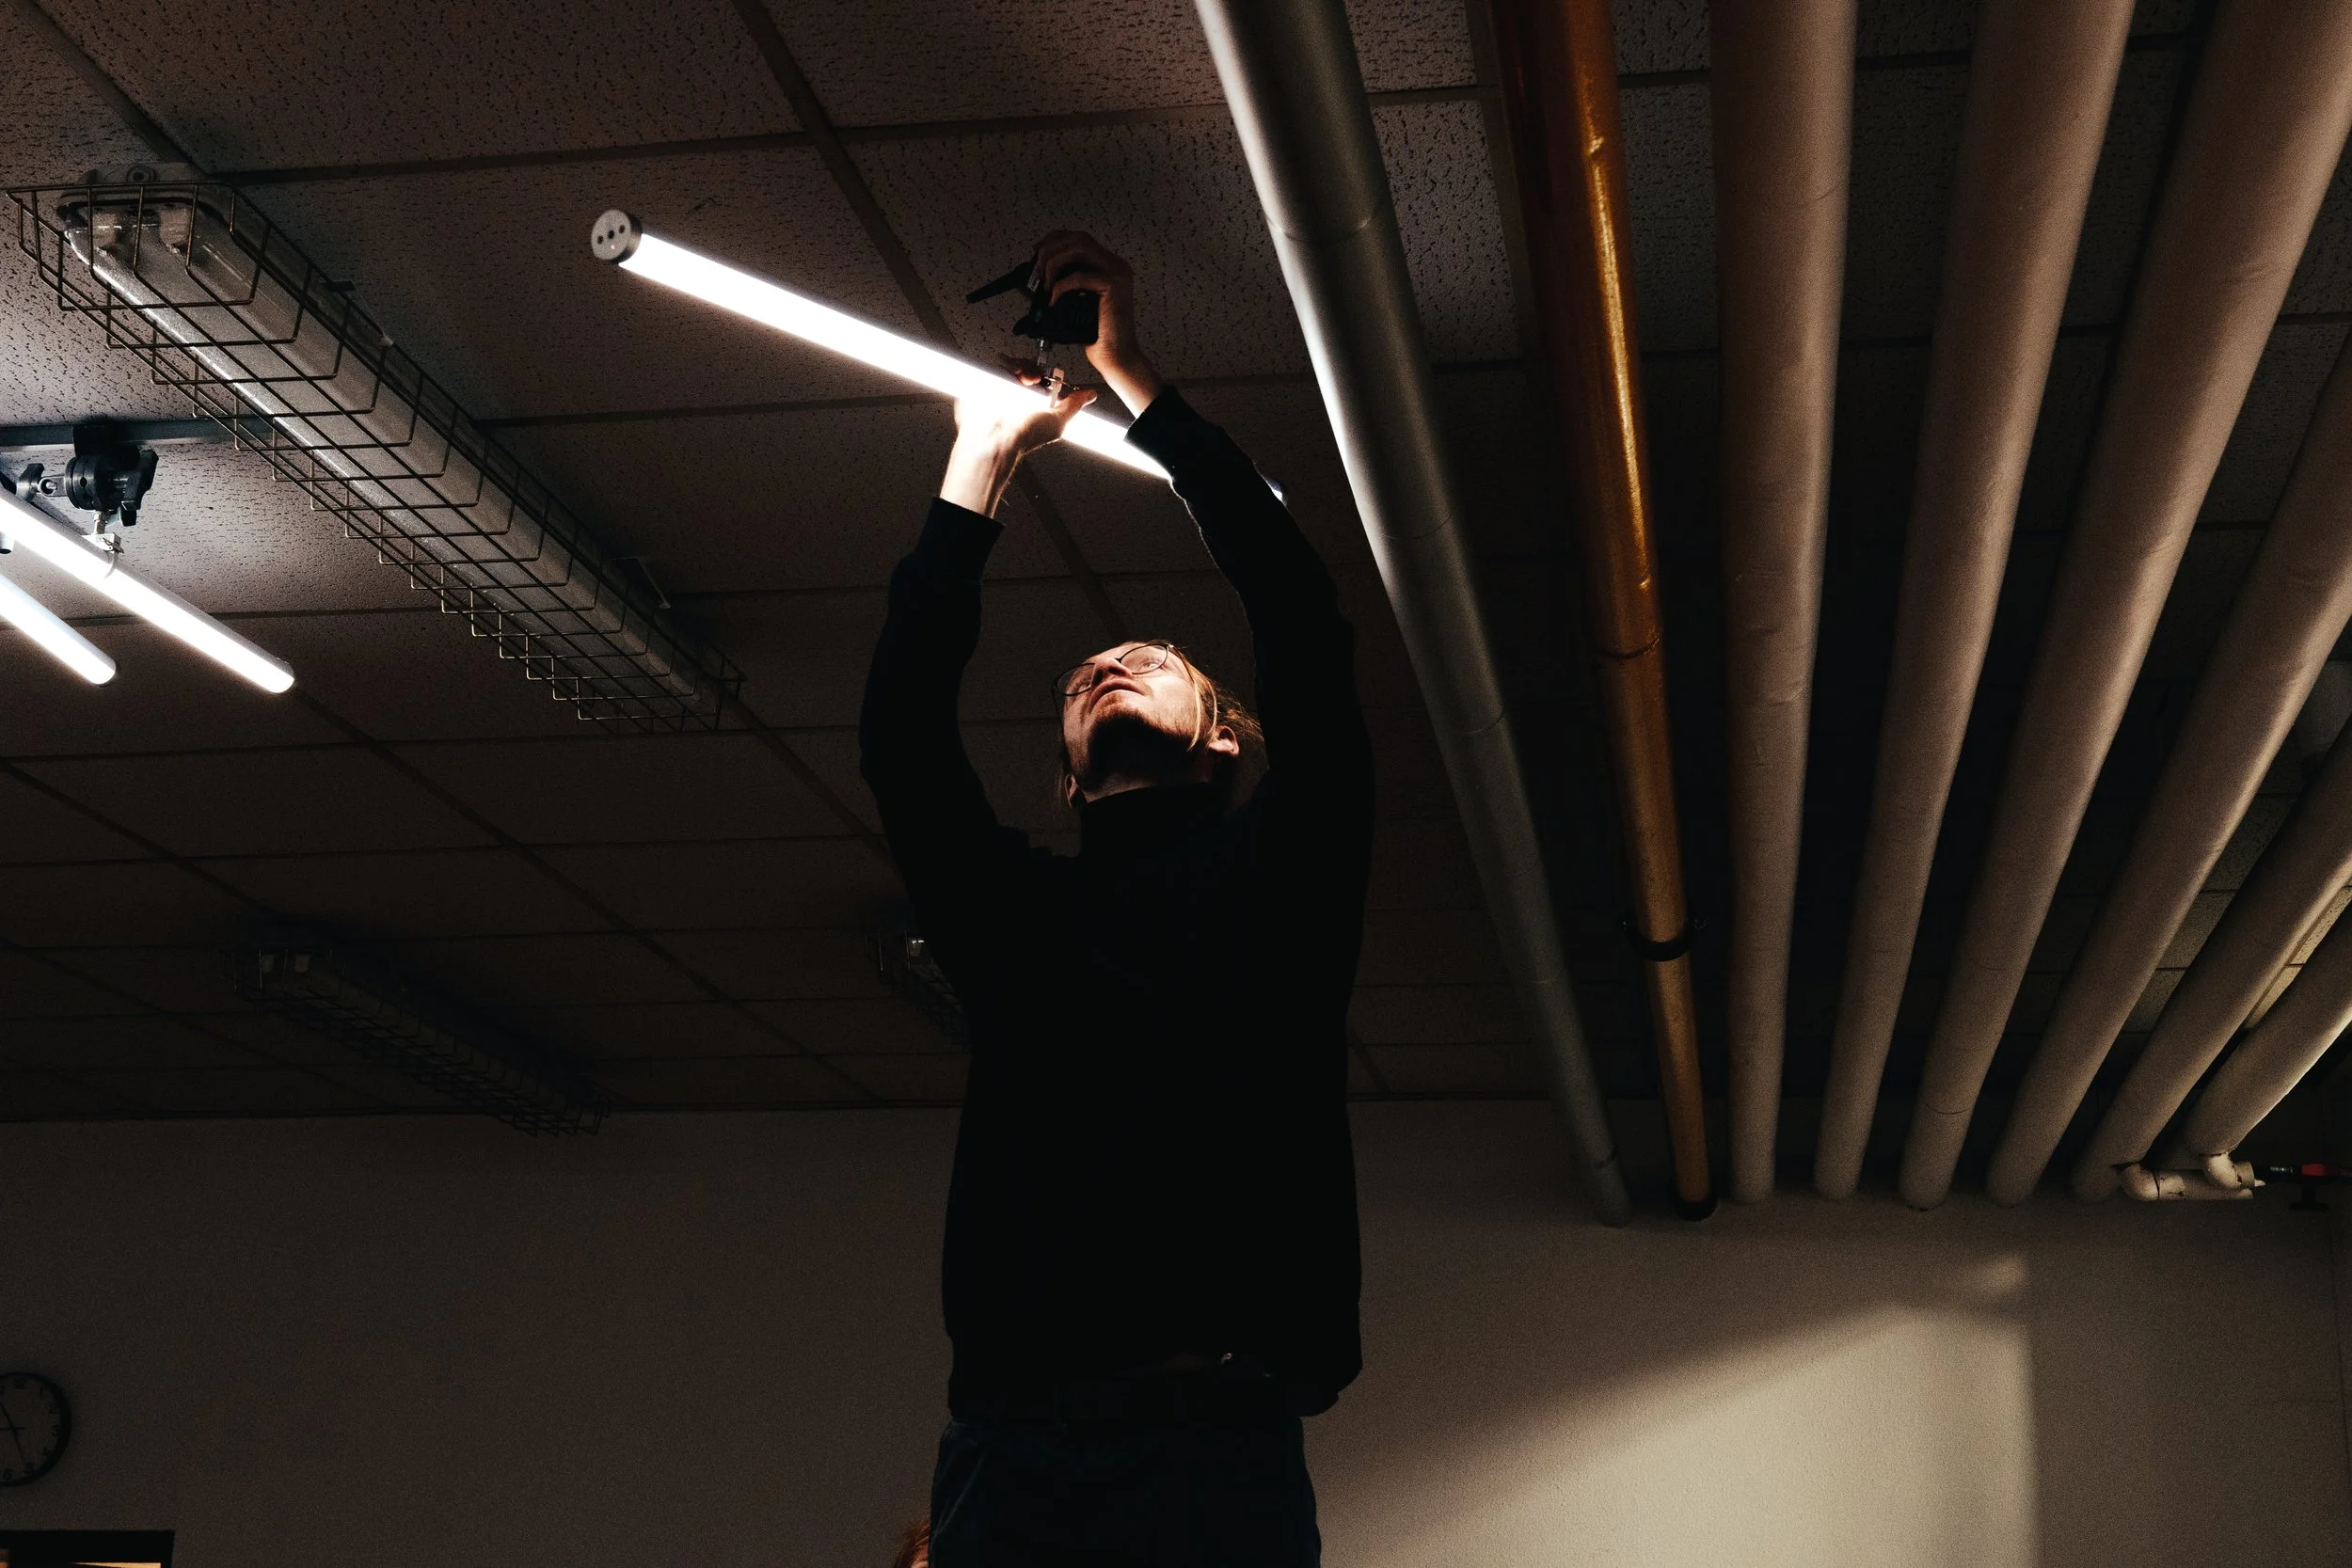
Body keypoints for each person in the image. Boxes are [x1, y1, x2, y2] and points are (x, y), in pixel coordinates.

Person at [861, 231, 1375, 1568]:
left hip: (1216, 1430)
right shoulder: (1020, 920)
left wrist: (1138, 380)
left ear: (1223, 740)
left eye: (1150, 660)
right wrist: (978, 463)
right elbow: (903, 744)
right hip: (1016, 1447)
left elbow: (1307, 630)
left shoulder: (1287, 878)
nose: (1105, 665)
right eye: (1082, 679)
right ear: (1071, 780)